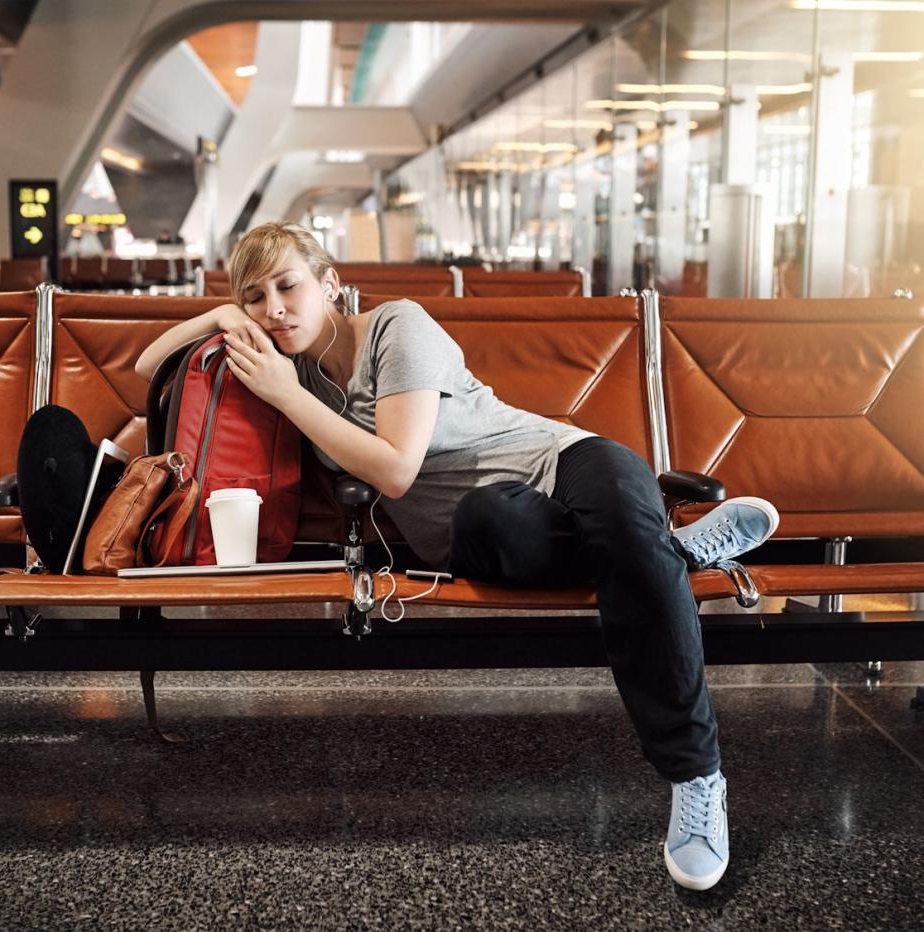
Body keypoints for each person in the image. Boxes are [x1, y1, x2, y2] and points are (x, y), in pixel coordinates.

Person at [135, 221, 781, 892]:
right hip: (485, 529)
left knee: (620, 507)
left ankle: (695, 776)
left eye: (288, 286)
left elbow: (395, 469)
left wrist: (284, 393)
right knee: (510, 520)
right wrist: (219, 313)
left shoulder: (397, 328)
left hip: (566, 460)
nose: (273, 308)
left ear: (330, 285)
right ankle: (669, 552)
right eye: (256, 296)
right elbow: (149, 368)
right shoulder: (288, 369)